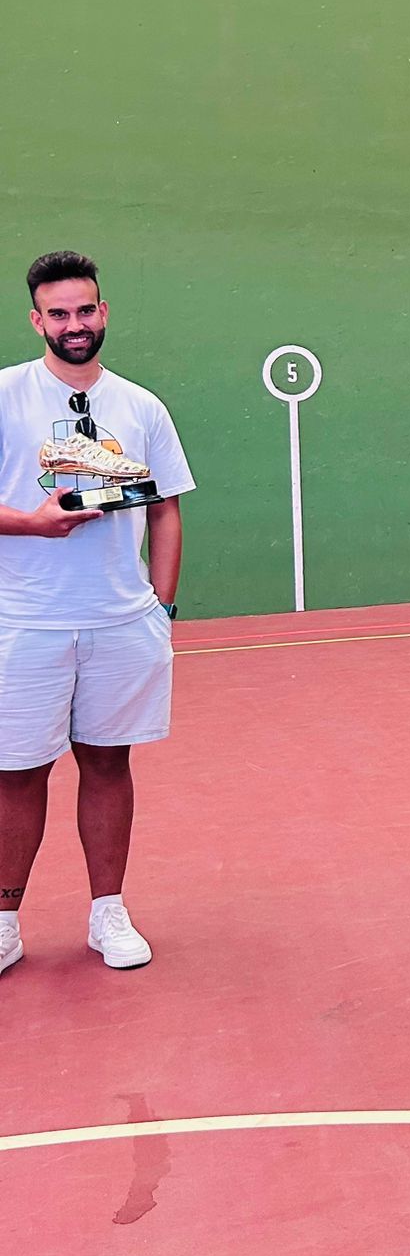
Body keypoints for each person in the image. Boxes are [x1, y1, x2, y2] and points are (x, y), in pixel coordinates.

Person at [0, 251, 194, 976]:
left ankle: (107, 912)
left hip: (120, 623)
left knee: (108, 765)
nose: (74, 325)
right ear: (36, 320)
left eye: (86, 311)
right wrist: (31, 524)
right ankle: (5, 921)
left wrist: (161, 605)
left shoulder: (141, 407)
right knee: (16, 773)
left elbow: (167, 506)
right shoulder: (5, 395)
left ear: (103, 313)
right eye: (59, 313)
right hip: (22, 622)